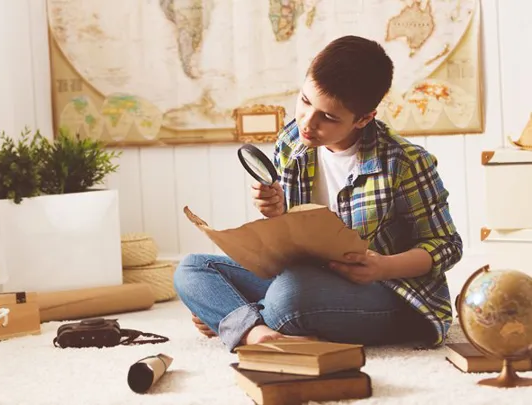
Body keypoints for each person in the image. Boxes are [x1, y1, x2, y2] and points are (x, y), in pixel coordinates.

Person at [173, 35, 463, 352]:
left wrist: (383, 266)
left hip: (388, 292)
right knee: (193, 269)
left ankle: (237, 319)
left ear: (364, 118)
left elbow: (446, 246)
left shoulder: (405, 163)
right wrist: (277, 212)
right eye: (306, 101)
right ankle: (256, 334)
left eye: (329, 116)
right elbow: (295, 240)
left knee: (288, 297)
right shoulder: (292, 142)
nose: (308, 123)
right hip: (307, 278)